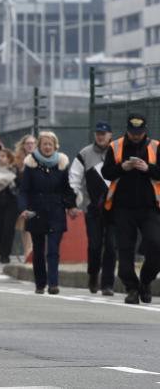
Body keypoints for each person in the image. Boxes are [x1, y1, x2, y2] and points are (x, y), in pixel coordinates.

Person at [101, 114, 160, 304]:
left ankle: (146, 280)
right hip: (122, 208)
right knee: (125, 250)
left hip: (149, 207)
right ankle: (132, 288)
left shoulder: (156, 147)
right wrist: (122, 167)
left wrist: (148, 168)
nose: (136, 136)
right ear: (127, 129)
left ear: (145, 131)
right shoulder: (115, 146)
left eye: (139, 133)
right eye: (133, 133)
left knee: (155, 244)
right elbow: (106, 172)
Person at [18, 131, 79, 295]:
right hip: (35, 211)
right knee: (38, 250)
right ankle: (40, 283)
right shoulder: (31, 164)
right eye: (44, 144)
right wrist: (23, 208)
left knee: (53, 250)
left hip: (56, 211)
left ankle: (53, 283)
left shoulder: (61, 163)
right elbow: (23, 190)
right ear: (39, 146)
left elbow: (67, 188)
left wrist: (71, 206)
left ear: (55, 146)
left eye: (50, 144)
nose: (47, 147)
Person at [69, 121, 116, 296]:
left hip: (115, 208)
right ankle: (93, 274)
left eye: (104, 133)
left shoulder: (118, 152)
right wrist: (73, 203)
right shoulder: (85, 154)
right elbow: (74, 179)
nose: (100, 136)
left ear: (110, 135)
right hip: (93, 208)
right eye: (98, 133)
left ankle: (108, 284)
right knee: (95, 245)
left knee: (111, 246)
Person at [0, 149, 19, 263]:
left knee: (8, 229)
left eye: (3, 156)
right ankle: (1, 250)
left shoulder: (14, 170)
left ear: (9, 158)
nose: (0, 158)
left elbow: (19, 185)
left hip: (11, 203)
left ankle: (5, 254)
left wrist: (12, 181)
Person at [14, 134, 37, 260]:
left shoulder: (40, 158)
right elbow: (15, 179)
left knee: (36, 225)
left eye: (32, 143)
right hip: (23, 196)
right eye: (28, 143)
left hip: (37, 195)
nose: (30, 145)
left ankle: (33, 251)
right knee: (25, 226)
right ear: (23, 145)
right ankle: (27, 252)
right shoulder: (17, 161)